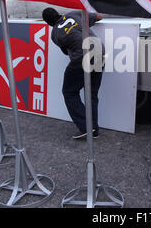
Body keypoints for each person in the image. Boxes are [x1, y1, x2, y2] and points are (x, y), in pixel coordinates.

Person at [42, 8, 104, 139]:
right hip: (99, 51)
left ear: (48, 23)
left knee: (69, 92)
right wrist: (83, 25)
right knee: (91, 93)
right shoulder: (74, 14)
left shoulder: (55, 35)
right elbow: (99, 16)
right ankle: (93, 129)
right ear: (58, 13)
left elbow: (66, 51)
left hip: (82, 58)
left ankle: (86, 127)